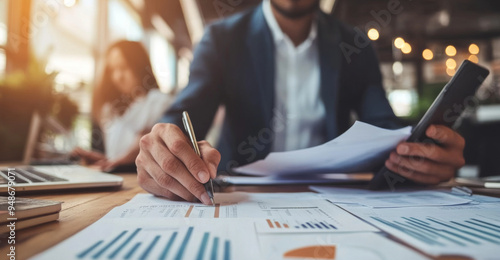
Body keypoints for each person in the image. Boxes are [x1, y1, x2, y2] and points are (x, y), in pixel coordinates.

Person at [135, 0, 466, 204]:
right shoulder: (222, 40)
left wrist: (422, 149)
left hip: (334, 199)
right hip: (243, 197)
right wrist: (164, 146)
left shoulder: (354, 44)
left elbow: (383, 123)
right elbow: (188, 113)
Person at [73, 40, 173, 171]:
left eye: (124, 67)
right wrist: (104, 161)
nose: (118, 77)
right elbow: (119, 158)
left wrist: (118, 162)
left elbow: (151, 153)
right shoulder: (112, 110)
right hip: (120, 177)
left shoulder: (159, 102)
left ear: (139, 66)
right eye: (113, 70)